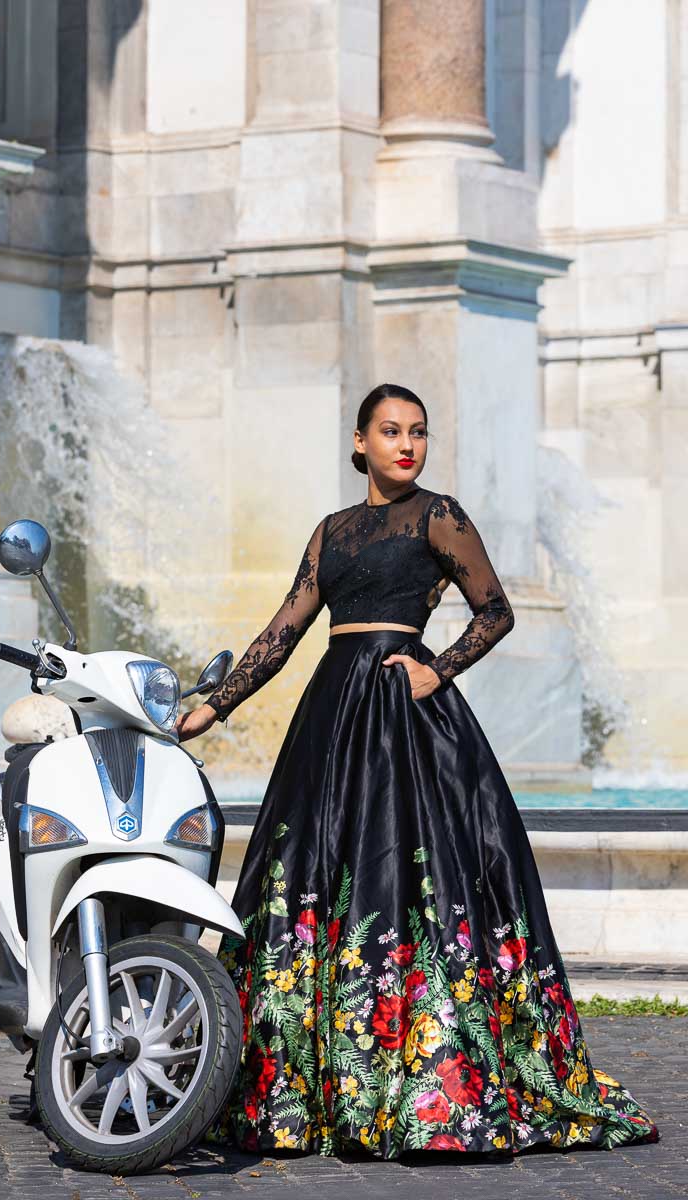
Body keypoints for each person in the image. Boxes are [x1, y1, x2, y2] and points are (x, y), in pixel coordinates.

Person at [175, 383, 660, 1159]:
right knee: (308, 871)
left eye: (420, 433)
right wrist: (214, 707)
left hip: (408, 713)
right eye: (391, 431)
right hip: (333, 717)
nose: (408, 445)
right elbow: (284, 630)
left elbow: (495, 608)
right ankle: (299, 1086)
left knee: (413, 873)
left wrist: (439, 672)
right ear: (360, 442)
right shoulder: (330, 532)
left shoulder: (440, 514)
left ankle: (427, 1082)